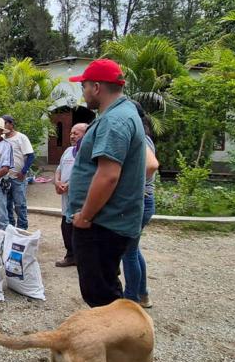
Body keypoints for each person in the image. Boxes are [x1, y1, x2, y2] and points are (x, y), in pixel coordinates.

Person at [68, 59, 146, 308]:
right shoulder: (119, 114)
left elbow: (108, 174)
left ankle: (115, 342)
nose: (84, 92)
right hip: (105, 221)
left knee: (101, 293)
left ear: (97, 87)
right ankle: (115, 338)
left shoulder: (115, 121)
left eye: (85, 86)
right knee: (104, 286)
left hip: (101, 224)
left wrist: (85, 216)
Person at [122, 102, 159, 308]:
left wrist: (128, 183)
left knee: (128, 253)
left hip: (140, 199)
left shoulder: (141, 139)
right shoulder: (142, 137)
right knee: (132, 251)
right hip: (144, 199)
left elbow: (152, 166)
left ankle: (131, 302)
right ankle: (142, 295)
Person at [53, 123, 88, 267]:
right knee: (66, 228)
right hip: (65, 198)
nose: (72, 136)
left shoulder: (87, 153)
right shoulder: (68, 151)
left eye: (76, 133)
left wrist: (69, 185)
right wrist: (57, 182)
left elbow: (87, 175)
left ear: (86, 135)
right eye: (71, 133)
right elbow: (59, 169)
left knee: (80, 230)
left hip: (80, 200)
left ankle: (82, 259)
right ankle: (70, 256)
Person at [2, 115, 35, 229]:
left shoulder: (21, 137)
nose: (3, 126)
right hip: (5, 178)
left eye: (5, 123)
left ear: (11, 124)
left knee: (20, 204)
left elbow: (30, 156)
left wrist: (23, 171)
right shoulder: (2, 138)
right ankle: (10, 227)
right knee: (7, 204)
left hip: (18, 177)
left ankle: (22, 228)